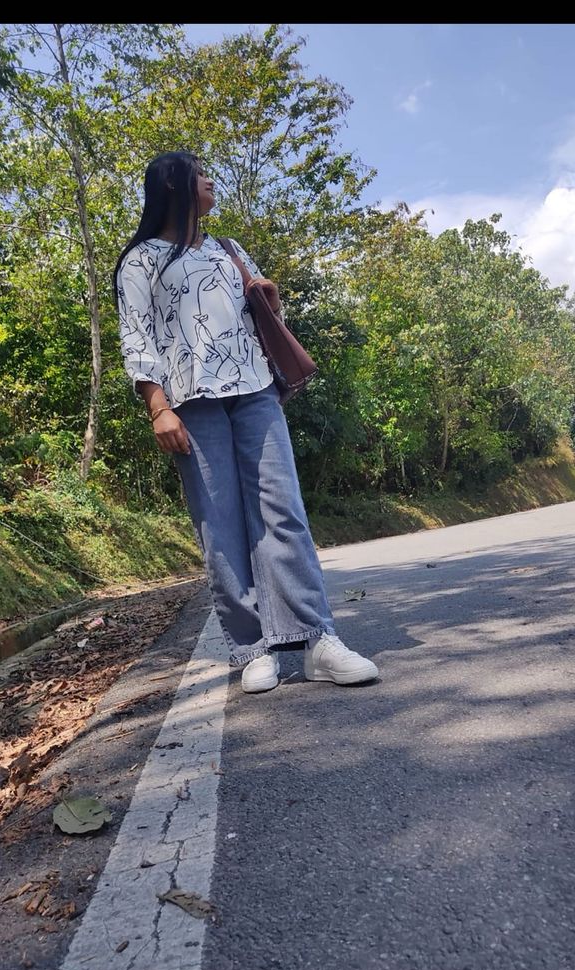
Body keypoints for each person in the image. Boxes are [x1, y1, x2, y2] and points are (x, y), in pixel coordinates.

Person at [113, 150, 379, 694]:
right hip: (190, 402)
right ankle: (253, 646)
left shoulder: (228, 248)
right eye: (201, 175)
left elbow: (263, 319)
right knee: (221, 524)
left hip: (255, 391)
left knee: (284, 514)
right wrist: (157, 406)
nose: (212, 183)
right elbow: (136, 337)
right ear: (176, 185)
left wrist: (271, 301)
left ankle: (314, 640)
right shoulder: (140, 260)